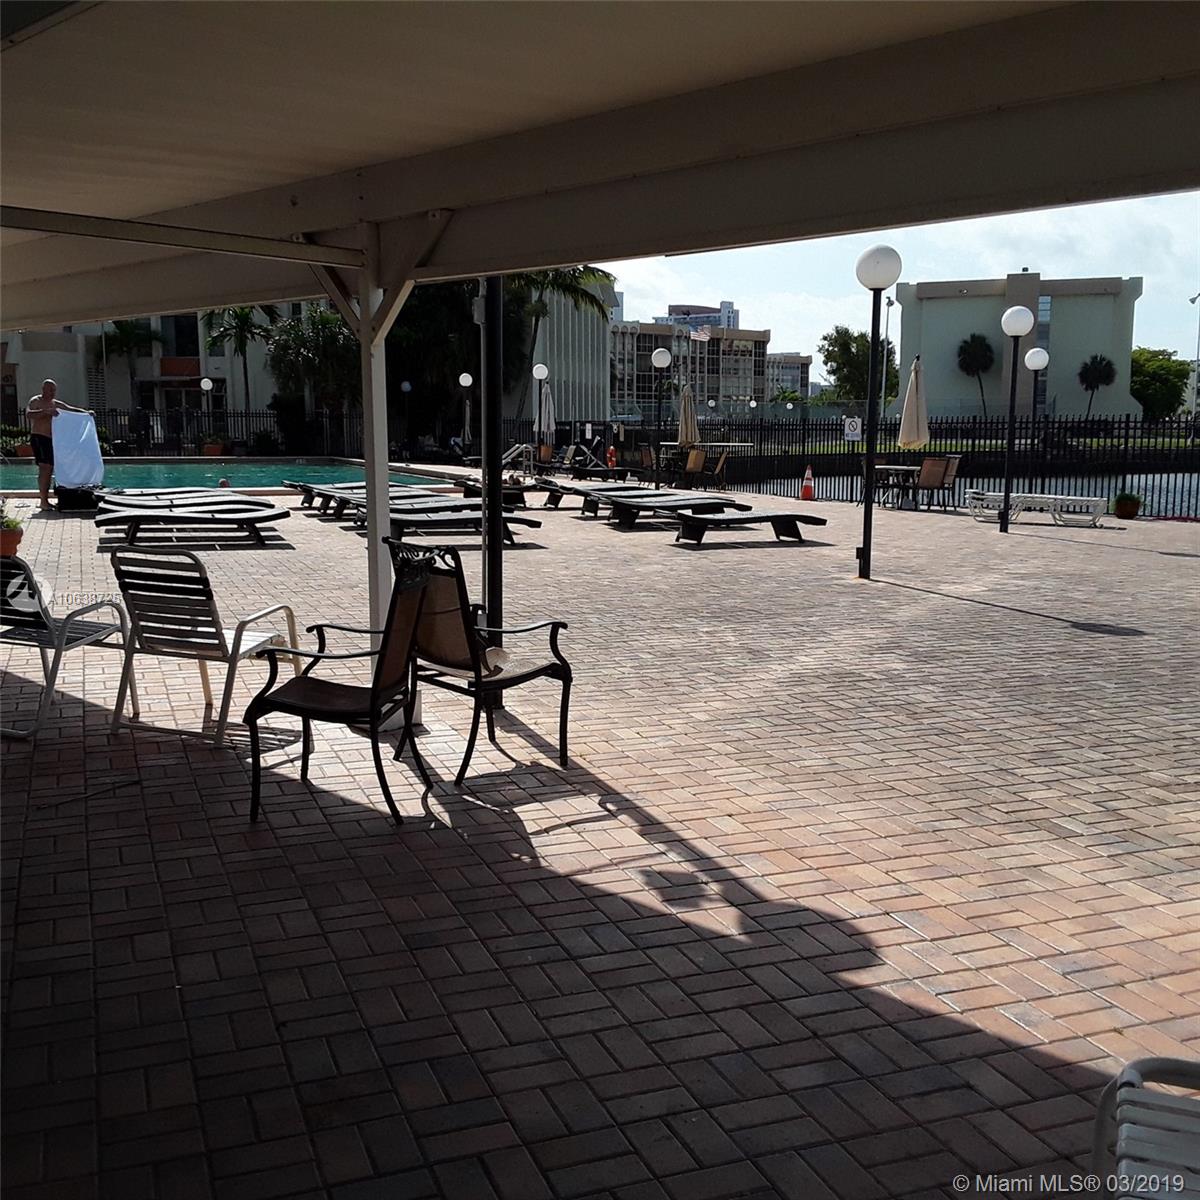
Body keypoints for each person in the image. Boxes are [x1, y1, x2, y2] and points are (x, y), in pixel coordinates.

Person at [25, 379, 89, 510]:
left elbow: (70, 409)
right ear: (44, 389)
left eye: (54, 390)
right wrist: (45, 412)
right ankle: (43, 501)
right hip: (39, 438)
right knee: (45, 468)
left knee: (52, 468)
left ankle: (50, 499)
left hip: (52, 440)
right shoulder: (36, 401)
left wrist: (86, 413)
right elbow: (29, 414)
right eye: (50, 390)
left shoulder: (55, 403)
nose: (53, 392)